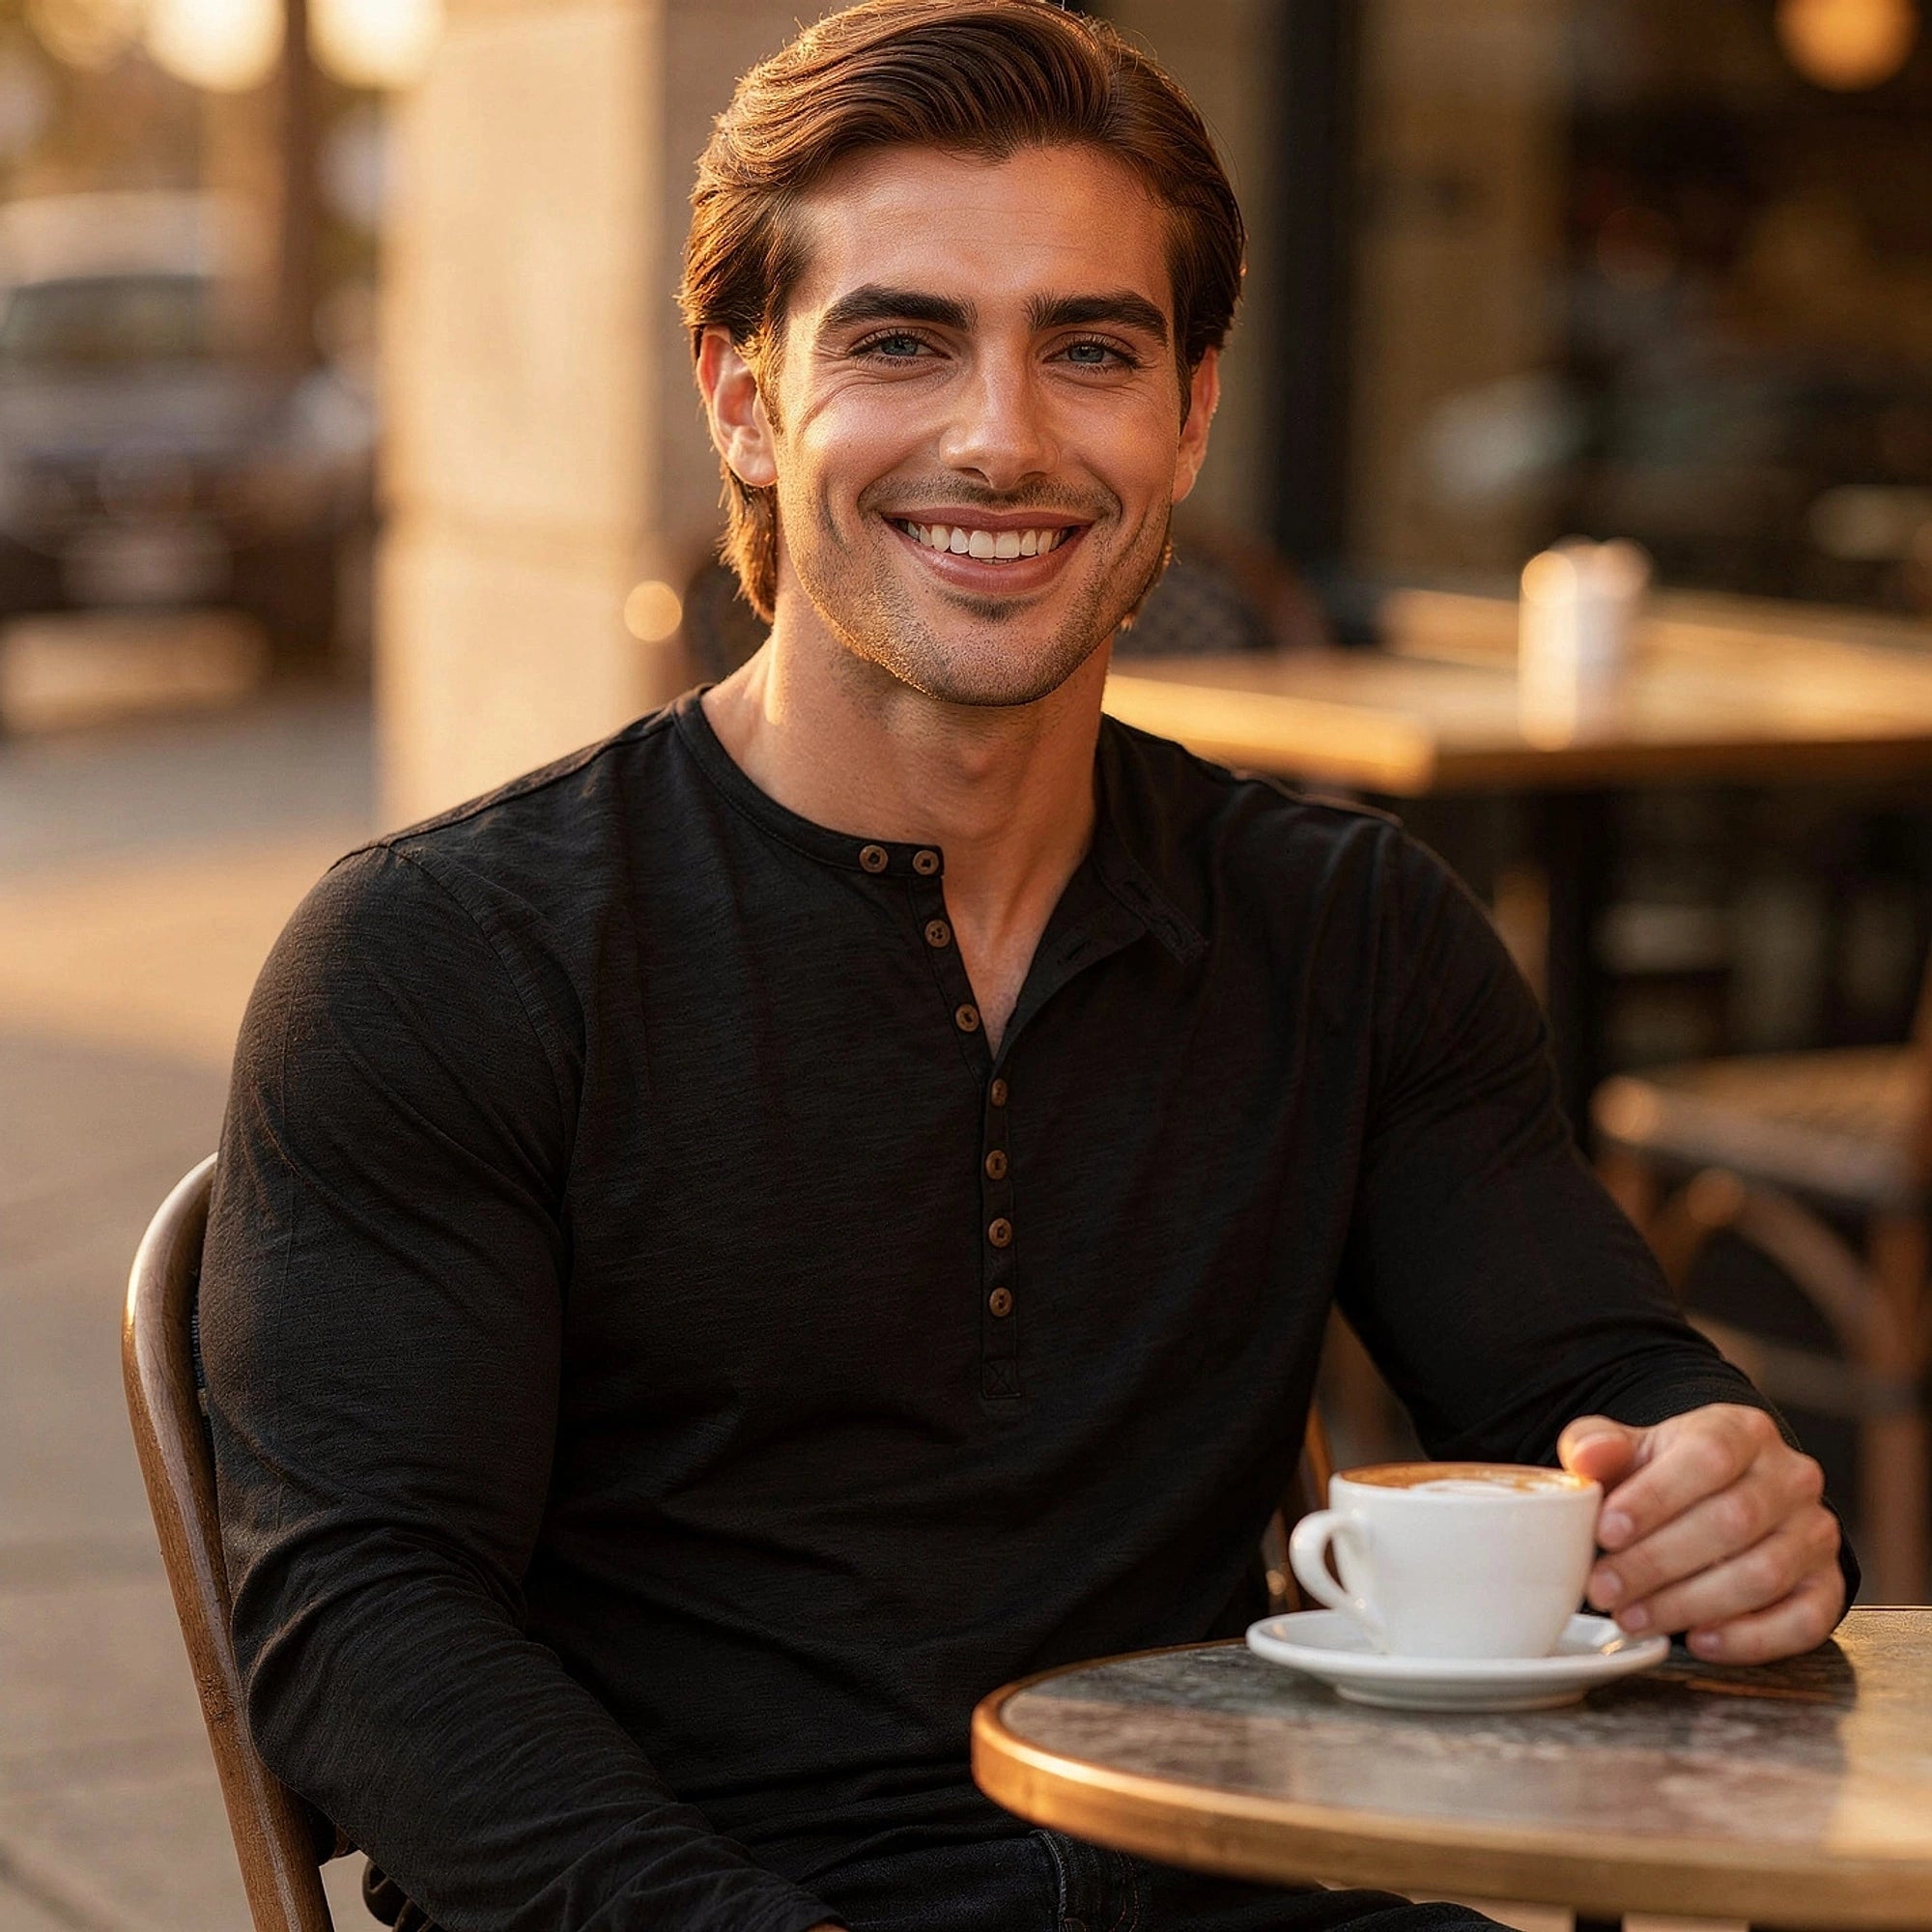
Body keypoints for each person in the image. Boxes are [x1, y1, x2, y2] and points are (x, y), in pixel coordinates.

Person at [201, 5, 1853, 1931]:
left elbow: (1584, 1371)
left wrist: (1705, 1481)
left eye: (1091, 348)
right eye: (901, 340)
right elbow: (363, 1618)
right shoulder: (448, 953)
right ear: (743, 397)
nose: (1003, 435)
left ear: (1190, 415)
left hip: (1242, 1890)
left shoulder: (1349, 925)